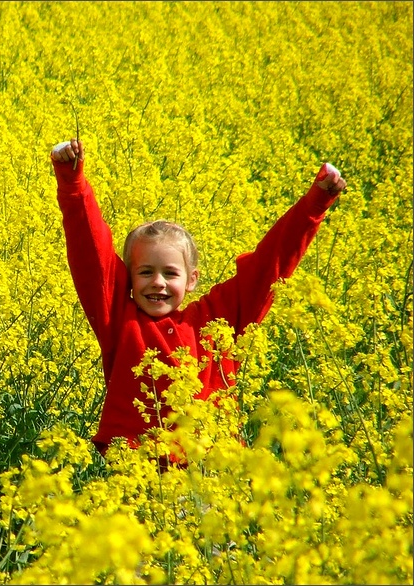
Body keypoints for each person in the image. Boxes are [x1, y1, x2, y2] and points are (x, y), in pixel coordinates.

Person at [50, 138, 346, 458]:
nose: (158, 283)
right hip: (136, 469)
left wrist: (316, 203)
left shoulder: (218, 318)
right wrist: (72, 180)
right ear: (128, 280)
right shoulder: (120, 319)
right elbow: (91, 254)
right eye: (146, 272)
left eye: (171, 273)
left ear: (192, 280)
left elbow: (268, 267)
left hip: (209, 473)